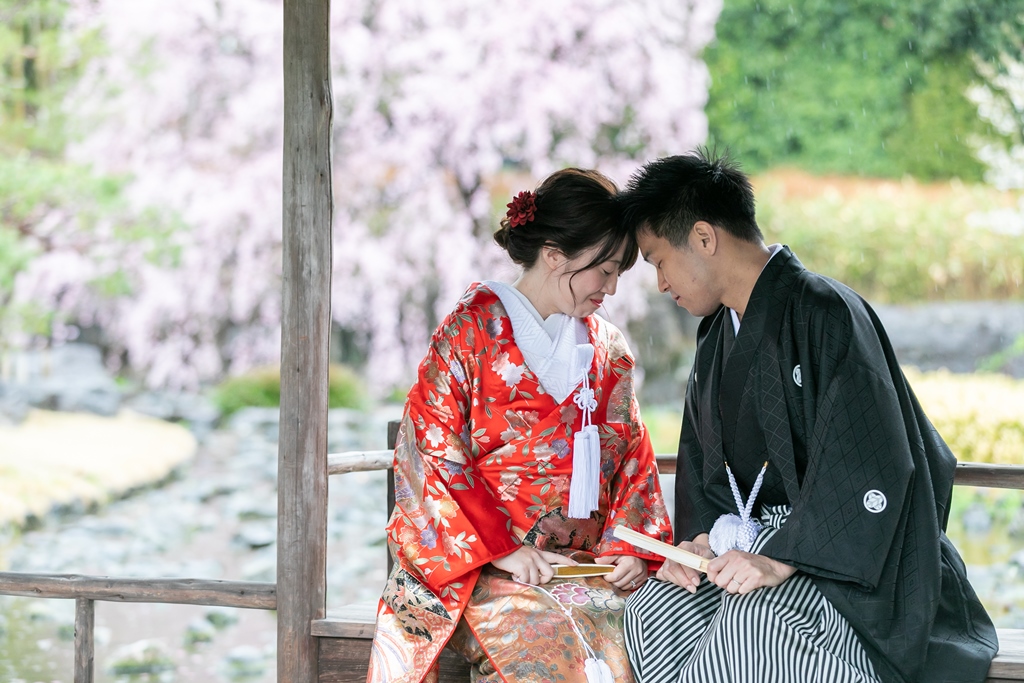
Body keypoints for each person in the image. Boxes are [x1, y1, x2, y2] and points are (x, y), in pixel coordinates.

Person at [617, 149, 998, 683]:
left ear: (704, 238)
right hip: (750, 547)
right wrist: (701, 542)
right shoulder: (713, 338)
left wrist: (783, 557)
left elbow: (873, 464)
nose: (660, 283)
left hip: (845, 562)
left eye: (658, 260)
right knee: (654, 611)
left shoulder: (825, 311)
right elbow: (708, 474)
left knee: (753, 627)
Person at [366, 168, 673, 683]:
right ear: (554, 254)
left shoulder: (608, 350)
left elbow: (632, 461)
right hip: (484, 566)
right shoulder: (471, 330)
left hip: (585, 565)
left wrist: (631, 551)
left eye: (620, 272)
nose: (613, 288)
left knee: (650, 633)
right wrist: (504, 551)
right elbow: (432, 449)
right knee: (546, 643)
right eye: (605, 270)